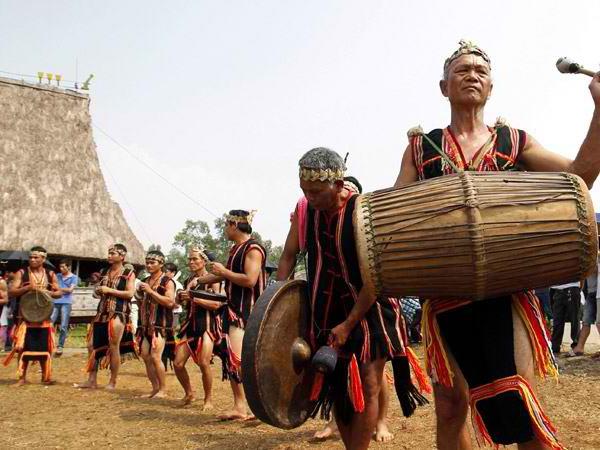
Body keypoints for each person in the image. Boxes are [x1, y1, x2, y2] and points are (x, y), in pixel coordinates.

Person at [394, 40, 600, 449]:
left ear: (490, 88)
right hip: (447, 294)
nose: (472, 74)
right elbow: (397, 217)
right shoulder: (421, 148)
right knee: (451, 409)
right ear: (443, 86)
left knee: (518, 403)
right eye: (461, 69)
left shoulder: (515, 142)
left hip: (507, 292)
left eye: (480, 71)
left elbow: (579, 179)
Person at [277, 148, 429, 450]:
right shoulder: (306, 211)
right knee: (337, 388)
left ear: (338, 183)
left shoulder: (365, 212)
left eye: (317, 191)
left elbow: (375, 278)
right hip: (326, 309)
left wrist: (348, 325)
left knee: (368, 383)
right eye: (305, 190)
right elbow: (288, 256)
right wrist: (273, 303)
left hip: (370, 308)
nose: (311, 197)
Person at [195, 209, 267, 420]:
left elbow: (250, 280)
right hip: (234, 309)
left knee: (240, 360)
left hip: (247, 312)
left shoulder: (253, 248)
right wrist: (197, 282)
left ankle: (253, 407)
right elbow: (222, 276)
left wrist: (223, 272)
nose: (225, 229)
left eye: (227, 224)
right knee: (233, 359)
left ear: (235, 225)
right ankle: (240, 406)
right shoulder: (235, 249)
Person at [75, 244, 137, 390]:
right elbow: (97, 293)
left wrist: (109, 290)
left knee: (114, 346)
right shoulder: (104, 272)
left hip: (118, 313)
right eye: (109, 253)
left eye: (113, 253)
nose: (109, 256)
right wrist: (97, 291)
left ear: (122, 256)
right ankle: (92, 380)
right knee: (91, 345)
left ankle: (112, 382)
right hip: (101, 312)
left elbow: (129, 294)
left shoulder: (129, 273)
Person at [3, 246, 62, 385]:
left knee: (44, 347)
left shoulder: (50, 274)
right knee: (23, 347)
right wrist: (27, 288)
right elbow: (11, 292)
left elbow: (59, 293)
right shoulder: (22, 273)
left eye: (36, 257)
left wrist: (49, 293)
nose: (32, 259)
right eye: (31, 257)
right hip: (25, 317)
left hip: (44, 317)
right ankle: (22, 377)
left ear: (43, 259)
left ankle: (45, 377)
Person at [173, 246, 223, 408]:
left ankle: (208, 399)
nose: (191, 262)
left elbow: (217, 303)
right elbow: (179, 303)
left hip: (207, 325)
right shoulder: (189, 280)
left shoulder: (214, 278)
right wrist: (180, 296)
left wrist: (194, 298)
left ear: (204, 261)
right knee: (178, 364)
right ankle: (189, 393)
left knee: (203, 362)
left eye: (195, 259)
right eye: (189, 259)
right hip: (190, 325)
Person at [135, 250, 176, 399]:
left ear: (161, 264)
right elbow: (142, 302)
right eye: (147, 262)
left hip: (160, 325)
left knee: (156, 356)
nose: (149, 265)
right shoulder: (145, 280)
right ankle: (155, 388)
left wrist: (151, 292)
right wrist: (139, 295)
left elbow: (170, 302)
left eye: (152, 262)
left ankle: (163, 390)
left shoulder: (167, 281)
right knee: (145, 355)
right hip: (146, 325)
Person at [570, 256, 600, 357]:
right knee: (586, 321)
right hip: (591, 292)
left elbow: (595, 271)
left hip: (598, 292)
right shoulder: (591, 253)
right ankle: (579, 347)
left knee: (599, 322)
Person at [50, 259, 79, 356]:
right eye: (60, 267)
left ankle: (60, 346)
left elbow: (70, 290)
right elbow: (53, 287)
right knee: (50, 323)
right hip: (55, 301)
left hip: (66, 302)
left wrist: (58, 289)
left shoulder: (74, 277)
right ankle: (48, 343)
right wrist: (61, 289)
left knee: (63, 325)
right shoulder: (57, 276)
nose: (61, 269)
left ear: (69, 267)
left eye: (63, 267)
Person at [549, 281, 581, 355]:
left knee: (574, 319)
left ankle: (576, 346)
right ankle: (555, 347)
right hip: (555, 288)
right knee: (558, 319)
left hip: (572, 286)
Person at [164, 262, 184, 331]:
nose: (163, 273)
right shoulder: (161, 283)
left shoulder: (178, 285)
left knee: (170, 331)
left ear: (173, 273)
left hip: (174, 312)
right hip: (163, 312)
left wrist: (172, 304)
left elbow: (179, 302)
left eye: (165, 271)